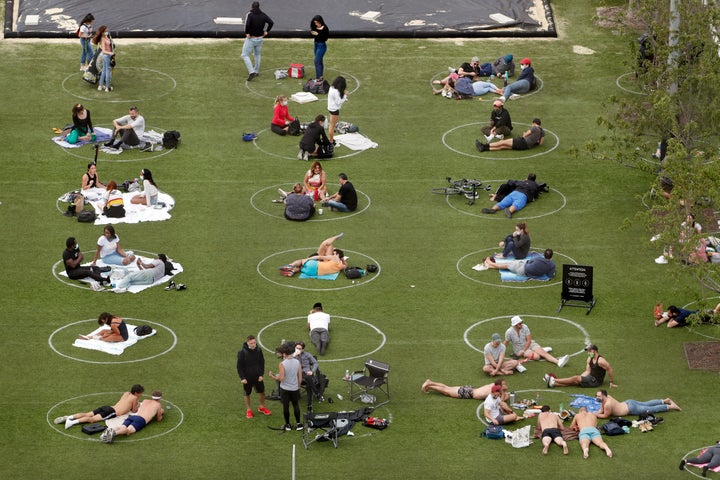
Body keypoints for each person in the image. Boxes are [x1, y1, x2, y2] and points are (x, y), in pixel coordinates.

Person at [54, 384, 143, 430]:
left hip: (107, 407)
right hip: (111, 412)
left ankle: (69, 417)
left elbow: (125, 404)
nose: (141, 395)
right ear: (136, 393)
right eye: (140, 393)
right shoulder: (135, 398)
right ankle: (71, 422)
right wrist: (138, 404)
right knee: (91, 419)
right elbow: (134, 411)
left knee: (87, 414)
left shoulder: (126, 393)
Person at [504, 316, 569, 367]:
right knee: (537, 357)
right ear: (515, 325)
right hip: (519, 349)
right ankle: (542, 350)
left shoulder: (525, 327)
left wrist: (523, 351)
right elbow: (506, 343)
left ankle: (558, 362)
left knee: (544, 354)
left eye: (521, 323)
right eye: (519, 323)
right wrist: (500, 352)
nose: (521, 324)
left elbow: (529, 340)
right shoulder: (509, 332)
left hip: (529, 345)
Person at [544, 344, 616, 389]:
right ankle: (553, 384)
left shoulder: (601, 361)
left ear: (594, 351)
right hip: (590, 378)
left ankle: (553, 380)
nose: (588, 353)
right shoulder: (589, 359)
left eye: (589, 351)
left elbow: (610, 369)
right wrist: (581, 377)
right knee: (575, 381)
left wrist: (611, 382)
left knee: (575, 378)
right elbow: (588, 371)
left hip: (596, 382)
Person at [280, 233, 347, 278]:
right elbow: (345, 266)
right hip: (313, 272)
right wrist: (343, 260)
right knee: (301, 267)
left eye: (333, 251)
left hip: (315, 264)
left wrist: (308, 259)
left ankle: (291, 265)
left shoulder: (332, 257)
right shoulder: (340, 265)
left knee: (301, 261)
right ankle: (293, 271)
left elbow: (320, 256)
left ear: (336, 254)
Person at [269, 343, 303, 431]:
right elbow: (299, 376)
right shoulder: (297, 362)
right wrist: (298, 386)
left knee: (286, 406)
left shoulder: (282, 364)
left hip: (285, 389)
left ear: (284, 354)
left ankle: (288, 425)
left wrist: (273, 376)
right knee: (296, 405)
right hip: (295, 388)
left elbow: (281, 378)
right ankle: (299, 424)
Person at [237, 335, 272, 419]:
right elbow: (239, 366)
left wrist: (261, 374)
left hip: (257, 376)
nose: (253, 345)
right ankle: (248, 410)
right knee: (247, 393)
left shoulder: (259, 350)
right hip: (247, 378)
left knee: (262, 392)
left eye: (254, 343)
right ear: (247, 342)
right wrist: (242, 378)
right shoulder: (242, 352)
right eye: (251, 343)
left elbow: (262, 363)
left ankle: (262, 407)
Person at [242, 2, 274, 81]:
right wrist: (267, 31)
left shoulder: (250, 14)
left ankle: (251, 71)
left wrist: (247, 33)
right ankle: (256, 71)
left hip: (252, 38)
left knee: (244, 55)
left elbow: (247, 24)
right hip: (260, 38)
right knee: (257, 54)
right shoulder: (263, 15)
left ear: (252, 7)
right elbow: (271, 22)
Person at [595, 390, 681, 418]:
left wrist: (596, 415)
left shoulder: (608, 405)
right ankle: (665, 400)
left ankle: (671, 406)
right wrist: (596, 412)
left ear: (603, 396)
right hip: (629, 402)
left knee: (651, 409)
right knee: (646, 403)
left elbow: (606, 415)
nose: (596, 397)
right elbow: (601, 408)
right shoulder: (607, 397)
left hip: (631, 408)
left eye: (598, 396)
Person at [476, 118, 544, 152]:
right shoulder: (542, 131)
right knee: (502, 146)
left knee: (502, 142)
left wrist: (524, 133)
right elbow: (540, 143)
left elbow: (525, 135)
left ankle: (483, 145)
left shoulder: (534, 127)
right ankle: (484, 149)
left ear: (534, 123)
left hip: (522, 141)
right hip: (526, 147)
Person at [481, 248, 556, 279]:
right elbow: (550, 276)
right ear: (551, 256)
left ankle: (489, 262)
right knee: (508, 266)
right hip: (525, 271)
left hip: (523, 268)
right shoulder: (552, 265)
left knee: (506, 265)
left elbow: (530, 261)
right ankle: (490, 266)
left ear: (544, 254)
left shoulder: (539, 258)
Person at [421, 378, 508, 401]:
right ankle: (429, 385)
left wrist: (503, 391)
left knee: (448, 388)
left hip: (470, 389)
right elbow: (501, 401)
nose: (505, 386)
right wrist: (503, 392)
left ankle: (430, 382)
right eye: (503, 385)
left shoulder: (493, 385)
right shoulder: (493, 391)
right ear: (499, 386)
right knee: (447, 392)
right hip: (469, 393)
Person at [293, 341, 323, 408]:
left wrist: (312, 371)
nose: (297, 350)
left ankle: (309, 405)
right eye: (296, 348)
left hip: (307, 373)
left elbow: (315, 363)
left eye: (299, 349)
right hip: (297, 375)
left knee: (309, 383)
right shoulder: (292, 356)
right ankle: (317, 393)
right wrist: (294, 356)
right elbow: (285, 363)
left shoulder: (307, 355)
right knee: (309, 379)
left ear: (303, 349)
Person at [327, 76, 349, 144]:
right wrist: (345, 96)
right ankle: (331, 140)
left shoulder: (332, 87)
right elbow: (338, 102)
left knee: (332, 124)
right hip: (334, 110)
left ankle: (331, 137)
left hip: (331, 108)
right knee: (332, 125)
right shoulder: (336, 91)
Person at [93, 25, 113, 92]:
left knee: (104, 71)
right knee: (107, 72)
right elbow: (103, 50)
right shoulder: (103, 39)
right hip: (106, 56)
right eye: (106, 31)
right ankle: (107, 87)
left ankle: (100, 86)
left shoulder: (106, 37)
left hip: (106, 56)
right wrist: (110, 53)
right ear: (102, 32)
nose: (107, 32)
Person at [310, 15, 329, 80]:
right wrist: (312, 33)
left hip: (322, 46)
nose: (316, 24)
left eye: (317, 23)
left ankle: (318, 78)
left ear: (320, 21)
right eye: (315, 23)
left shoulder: (325, 28)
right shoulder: (315, 27)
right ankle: (320, 76)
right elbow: (313, 34)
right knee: (319, 61)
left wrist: (317, 34)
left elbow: (325, 38)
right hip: (316, 45)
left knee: (316, 61)